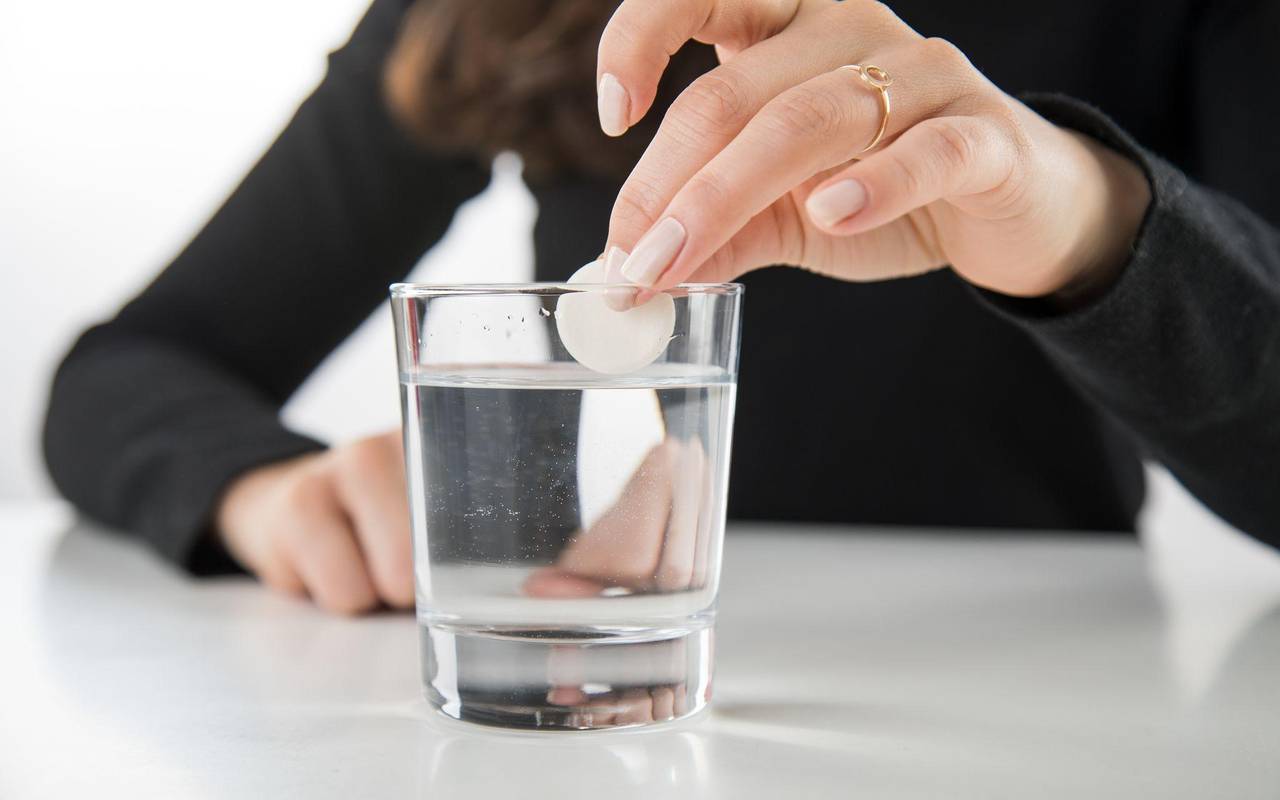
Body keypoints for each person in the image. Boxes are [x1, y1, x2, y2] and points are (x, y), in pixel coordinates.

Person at [44, 0, 1280, 614]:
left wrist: (1082, 212)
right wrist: (264, 490)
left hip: (1059, 711)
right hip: (583, 712)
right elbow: (128, 370)